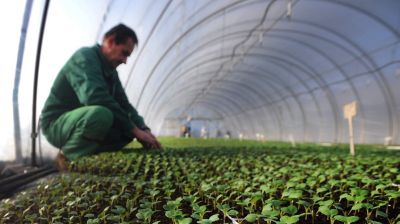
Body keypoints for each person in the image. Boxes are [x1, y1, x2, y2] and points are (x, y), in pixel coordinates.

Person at [40, 24, 162, 169]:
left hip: (83, 122)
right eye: (124, 53)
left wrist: (143, 129)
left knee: (127, 129)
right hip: (56, 124)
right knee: (102, 115)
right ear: (110, 41)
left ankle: (89, 152)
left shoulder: (111, 73)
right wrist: (133, 129)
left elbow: (125, 105)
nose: (125, 61)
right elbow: (94, 97)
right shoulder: (84, 57)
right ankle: (67, 157)